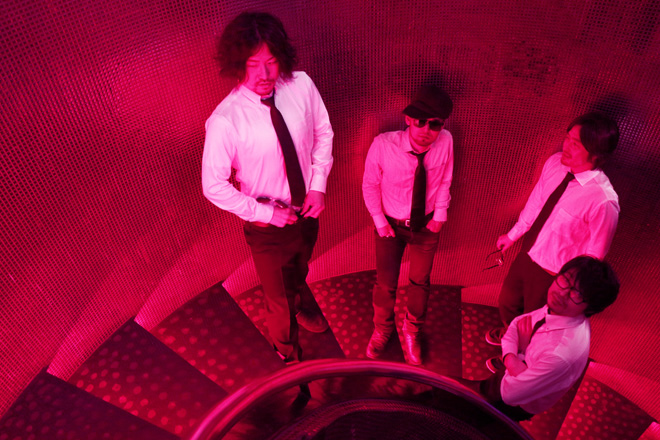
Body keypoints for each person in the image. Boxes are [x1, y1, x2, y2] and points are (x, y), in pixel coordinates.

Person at [201, 12, 334, 364]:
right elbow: (213, 185)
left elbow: (323, 133)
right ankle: (288, 358)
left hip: (307, 211)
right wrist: (264, 213)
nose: (264, 74)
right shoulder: (225, 120)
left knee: (301, 268)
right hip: (267, 229)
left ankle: (301, 302)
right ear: (237, 64)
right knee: (278, 302)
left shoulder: (301, 85)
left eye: (272, 61)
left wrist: (318, 186)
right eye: (253, 64)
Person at [486, 112, 620, 366]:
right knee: (508, 303)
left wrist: (568, 291)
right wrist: (513, 235)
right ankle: (509, 339)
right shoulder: (555, 164)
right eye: (568, 138)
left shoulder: (603, 200)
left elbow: (594, 259)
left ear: (596, 154)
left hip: (553, 275)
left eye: (576, 144)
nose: (566, 146)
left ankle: (516, 361)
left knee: (533, 324)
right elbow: (536, 204)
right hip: (528, 254)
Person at [362, 85, 454, 365]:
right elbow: (370, 184)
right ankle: (383, 329)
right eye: (421, 122)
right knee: (385, 284)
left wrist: (440, 215)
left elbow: (445, 178)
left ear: (442, 126)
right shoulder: (383, 145)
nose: (426, 130)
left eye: (435, 124)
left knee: (420, 283)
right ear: (408, 120)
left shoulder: (446, 141)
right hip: (390, 226)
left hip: (426, 226)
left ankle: (412, 330)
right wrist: (379, 222)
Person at [479, 256, 620, 421]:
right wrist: (514, 360)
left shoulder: (559, 354)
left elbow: (509, 395)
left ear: (591, 309)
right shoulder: (561, 310)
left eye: (577, 293)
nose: (562, 293)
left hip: (514, 403)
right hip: (516, 374)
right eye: (566, 279)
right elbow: (517, 324)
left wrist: (518, 352)